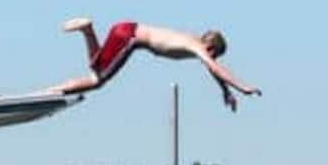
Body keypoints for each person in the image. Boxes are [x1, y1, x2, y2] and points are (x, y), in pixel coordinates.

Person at [49, 17, 262, 112]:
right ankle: (53, 91)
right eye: (215, 55)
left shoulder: (192, 40)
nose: (213, 59)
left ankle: (87, 30)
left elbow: (211, 69)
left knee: (96, 68)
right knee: (97, 79)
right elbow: (215, 67)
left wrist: (225, 91)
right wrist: (242, 87)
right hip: (129, 37)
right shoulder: (196, 47)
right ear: (212, 49)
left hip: (126, 29)